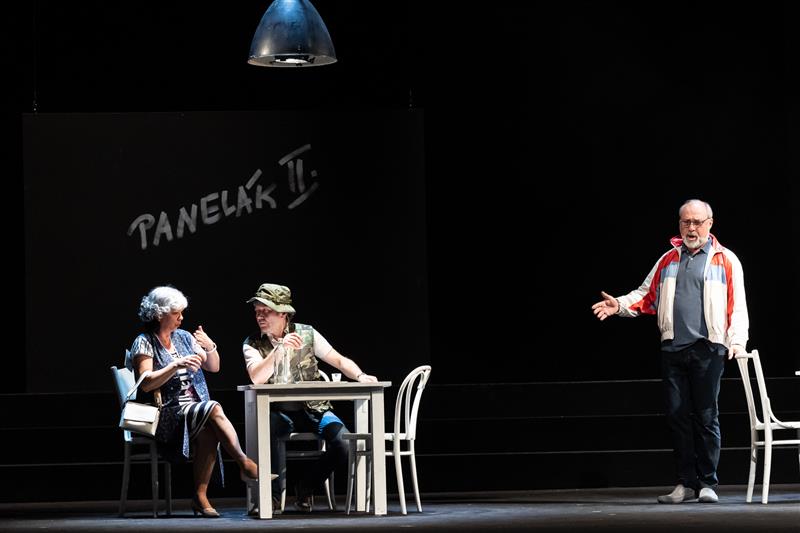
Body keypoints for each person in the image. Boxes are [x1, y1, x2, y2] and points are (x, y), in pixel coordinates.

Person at [591, 199, 748, 504]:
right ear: (679, 224)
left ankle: (707, 483)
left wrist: (737, 341)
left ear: (710, 223)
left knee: (706, 416)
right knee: (677, 416)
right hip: (673, 348)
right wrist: (618, 305)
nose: (692, 228)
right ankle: (686, 483)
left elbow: (737, 304)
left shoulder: (725, 259)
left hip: (709, 348)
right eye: (686, 222)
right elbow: (646, 294)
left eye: (697, 222)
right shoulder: (668, 260)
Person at [128, 286, 265, 518]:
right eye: (176, 313)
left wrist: (210, 346)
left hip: (195, 410)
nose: (181, 318)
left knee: (209, 431)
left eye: (182, 312)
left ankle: (200, 496)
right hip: (167, 414)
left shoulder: (183, 337)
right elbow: (146, 383)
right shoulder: (144, 342)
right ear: (160, 314)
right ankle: (244, 463)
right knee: (213, 407)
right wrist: (175, 365)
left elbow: (213, 366)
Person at [242, 282, 378, 513]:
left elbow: (337, 359)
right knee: (267, 430)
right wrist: (279, 349)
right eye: (257, 312)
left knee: (345, 443)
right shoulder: (252, 343)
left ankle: (306, 487)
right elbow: (257, 377)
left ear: (283, 313)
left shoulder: (307, 333)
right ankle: (271, 497)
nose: (260, 317)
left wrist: (360, 375)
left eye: (266, 311)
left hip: (314, 409)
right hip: (279, 412)